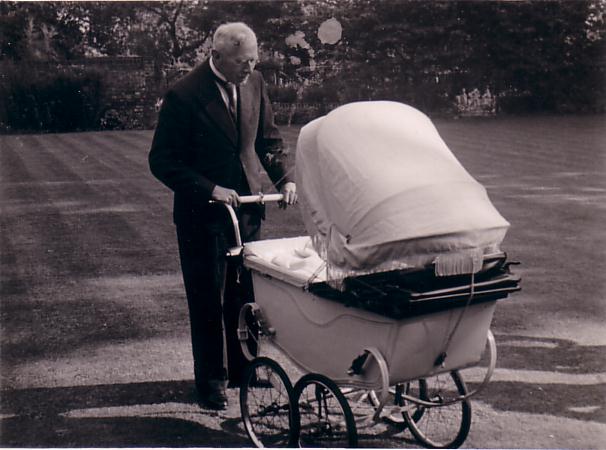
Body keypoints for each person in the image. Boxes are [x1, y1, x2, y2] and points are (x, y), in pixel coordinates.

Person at [149, 22, 297, 409]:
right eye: (241, 62)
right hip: (203, 217)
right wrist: (210, 189)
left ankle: (245, 370)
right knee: (207, 299)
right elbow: (162, 161)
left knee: (245, 295)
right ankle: (211, 380)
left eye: (253, 61)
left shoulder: (256, 82)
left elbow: (269, 139)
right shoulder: (183, 95)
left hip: (247, 211)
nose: (248, 69)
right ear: (216, 56)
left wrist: (285, 179)